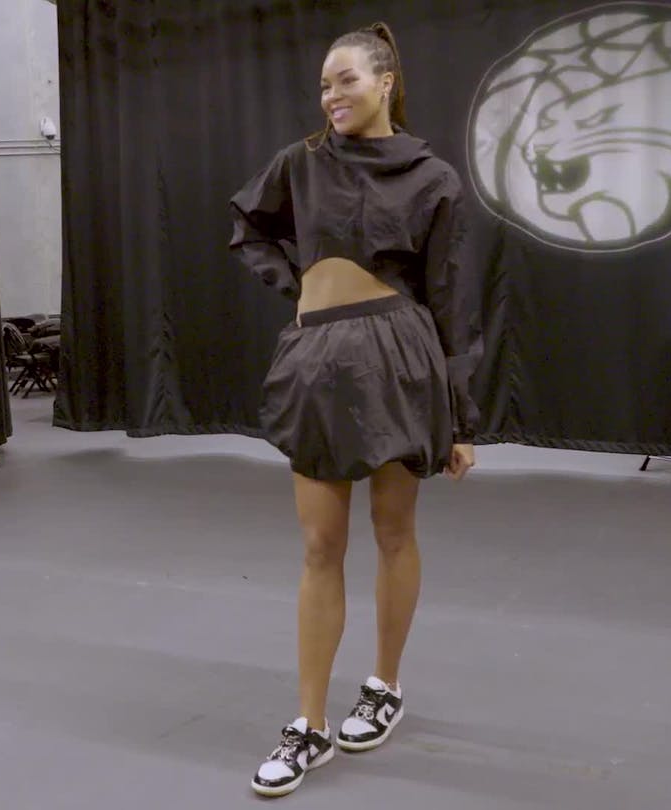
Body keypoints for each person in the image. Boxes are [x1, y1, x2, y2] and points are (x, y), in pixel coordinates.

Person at [228, 22, 482, 798]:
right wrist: (297, 289)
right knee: (318, 545)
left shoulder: (434, 178)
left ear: (385, 81)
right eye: (323, 85)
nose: (331, 96)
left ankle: (385, 686)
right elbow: (249, 228)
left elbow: (452, 302)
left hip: (400, 361)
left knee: (394, 531)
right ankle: (308, 727)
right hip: (319, 359)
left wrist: (461, 419)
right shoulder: (300, 164)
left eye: (345, 81)